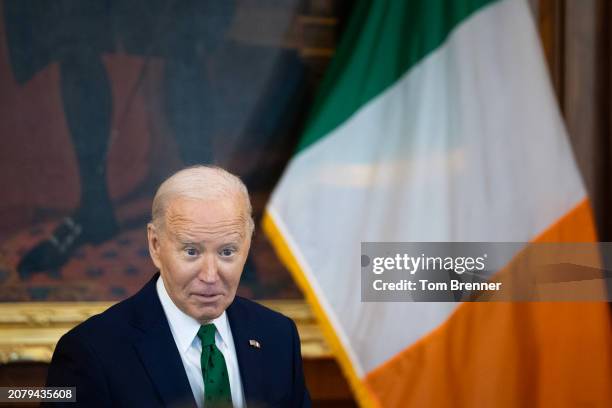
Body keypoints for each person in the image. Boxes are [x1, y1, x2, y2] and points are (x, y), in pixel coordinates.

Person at [44, 166, 311, 407]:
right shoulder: (90, 352)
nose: (209, 275)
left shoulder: (278, 335)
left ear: (248, 246)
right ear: (155, 245)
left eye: (227, 252)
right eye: (192, 251)